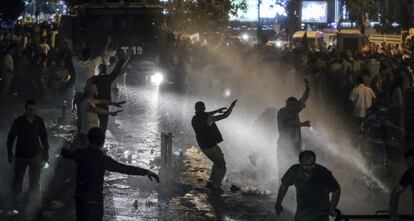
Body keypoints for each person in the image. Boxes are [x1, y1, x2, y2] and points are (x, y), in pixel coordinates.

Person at [61, 127, 159, 221]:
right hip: (94, 201)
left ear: (88, 139)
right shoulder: (103, 160)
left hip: (80, 199)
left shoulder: (80, 153)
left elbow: (65, 153)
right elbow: (124, 168)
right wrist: (145, 172)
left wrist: (65, 145)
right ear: (102, 142)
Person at [275, 150, 341, 221]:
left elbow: (336, 190)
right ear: (300, 163)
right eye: (306, 165)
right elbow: (284, 186)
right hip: (302, 215)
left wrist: (332, 208)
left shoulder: (323, 172)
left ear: (315, 161)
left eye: (312, 164)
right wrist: (278, 203)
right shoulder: (294, 171)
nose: (310, 168)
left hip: (320, 216)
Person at [7, 100, 50, 205]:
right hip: (21, 155)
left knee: (35, 181)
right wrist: (9, 153)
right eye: (30, 110)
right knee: (18, 180)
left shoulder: (39, 121)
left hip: (35, 155)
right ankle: (14, 202)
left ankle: (33, 202)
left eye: (33, 110)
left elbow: (44, 138)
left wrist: (46, 154)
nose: (31, 112)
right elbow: (11, 138)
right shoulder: (18, 121)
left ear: (36, 110)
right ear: (25, 109)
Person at [65, 35, 111, 130]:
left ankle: (80, 133)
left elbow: (72, 53)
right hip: (89, 95)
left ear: (82, 55)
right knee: (91, 114)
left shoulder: (77, 64)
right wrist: (108, 42)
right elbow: (102, 54)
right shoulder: (92, 64)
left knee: (80, 117)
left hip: (78, 94)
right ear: (90, 56)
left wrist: (67, 44)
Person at [191, 100, 237, 193]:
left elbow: (205, 114)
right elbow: (225, 115)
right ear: (204, 108)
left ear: (196, 109)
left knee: (216, 162)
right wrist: (231, 107)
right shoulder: (208, 118)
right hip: (211, 145)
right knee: (221, 164)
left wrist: (218, 110)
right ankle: (216, 184)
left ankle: (211, 182)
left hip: (203, 146)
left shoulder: (194, 118)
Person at [87, 51, 131, 132]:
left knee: (90, 126)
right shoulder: (108, 78)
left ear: (98, 70)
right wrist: (122, 60)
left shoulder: (93, 79)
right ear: (105, 70)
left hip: (92, 105)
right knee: (103, 127)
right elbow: (117, 70)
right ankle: (100, 140)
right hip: (104, 105)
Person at [277, 79, 311, 178]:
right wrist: (303, 124)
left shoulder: (294, 110)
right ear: (288, 104)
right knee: (284, 168)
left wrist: (308, 89)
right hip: (284, 144)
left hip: (296, 143)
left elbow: (303, 99)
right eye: (293, 106)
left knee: (299, 165)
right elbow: (290, 124)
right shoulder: (282, 112)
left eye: (295, 106)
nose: (295, 108)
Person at [390, 148, 414, 221]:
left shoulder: (411, 173)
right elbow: (395, 192)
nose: (407, 166)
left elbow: (395, 192)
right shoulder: (410, 173)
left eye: (409, 163)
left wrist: (393, 215)